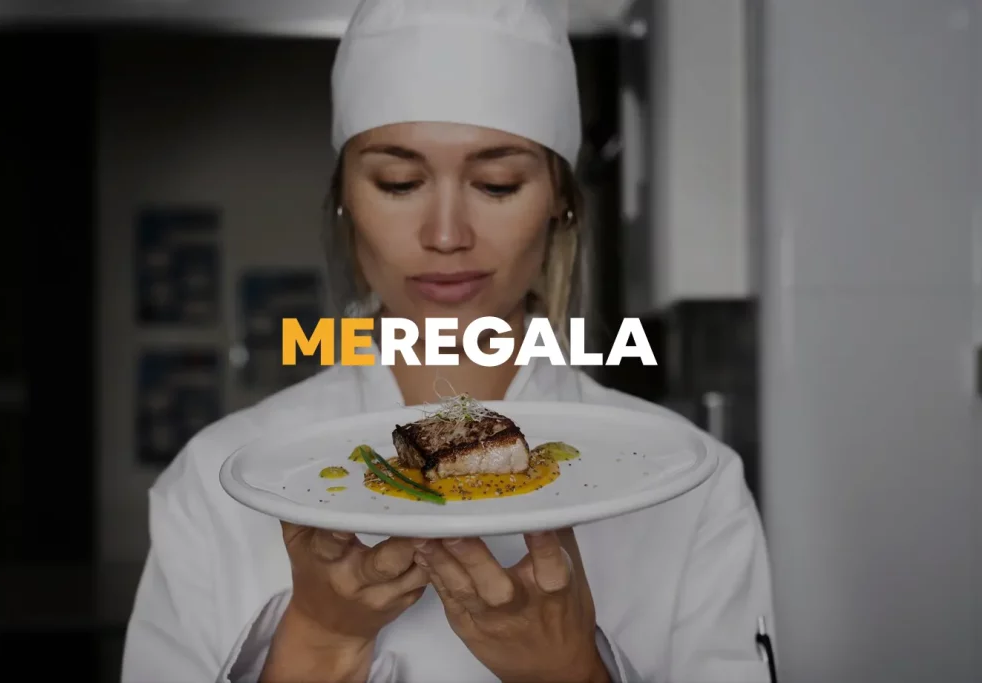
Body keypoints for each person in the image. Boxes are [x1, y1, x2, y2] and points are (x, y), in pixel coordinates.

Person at [121, 1, 776, 682]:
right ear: (345, 196)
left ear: (560, 198)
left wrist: (572, 671)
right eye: (399, 182)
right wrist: (318, 639)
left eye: (497, 184)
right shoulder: (218, 482)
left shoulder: (692, 487)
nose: (445, 234)